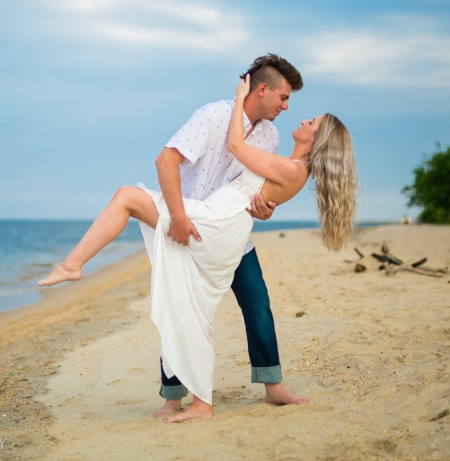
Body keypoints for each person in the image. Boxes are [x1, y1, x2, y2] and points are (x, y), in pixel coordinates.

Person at [39, 70, 359, 423]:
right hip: (206, 216)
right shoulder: (219, 119)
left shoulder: (280, 150)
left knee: (239, 301)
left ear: (317, 139)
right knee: (182, 299)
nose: (293, 111)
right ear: (263, 89)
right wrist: (196, 212)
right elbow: (250, 189)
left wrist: (239, 99)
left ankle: (234, 394)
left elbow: (246, 164)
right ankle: (185, 397)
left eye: (310, 120)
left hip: (219, 225)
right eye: (284, 98)